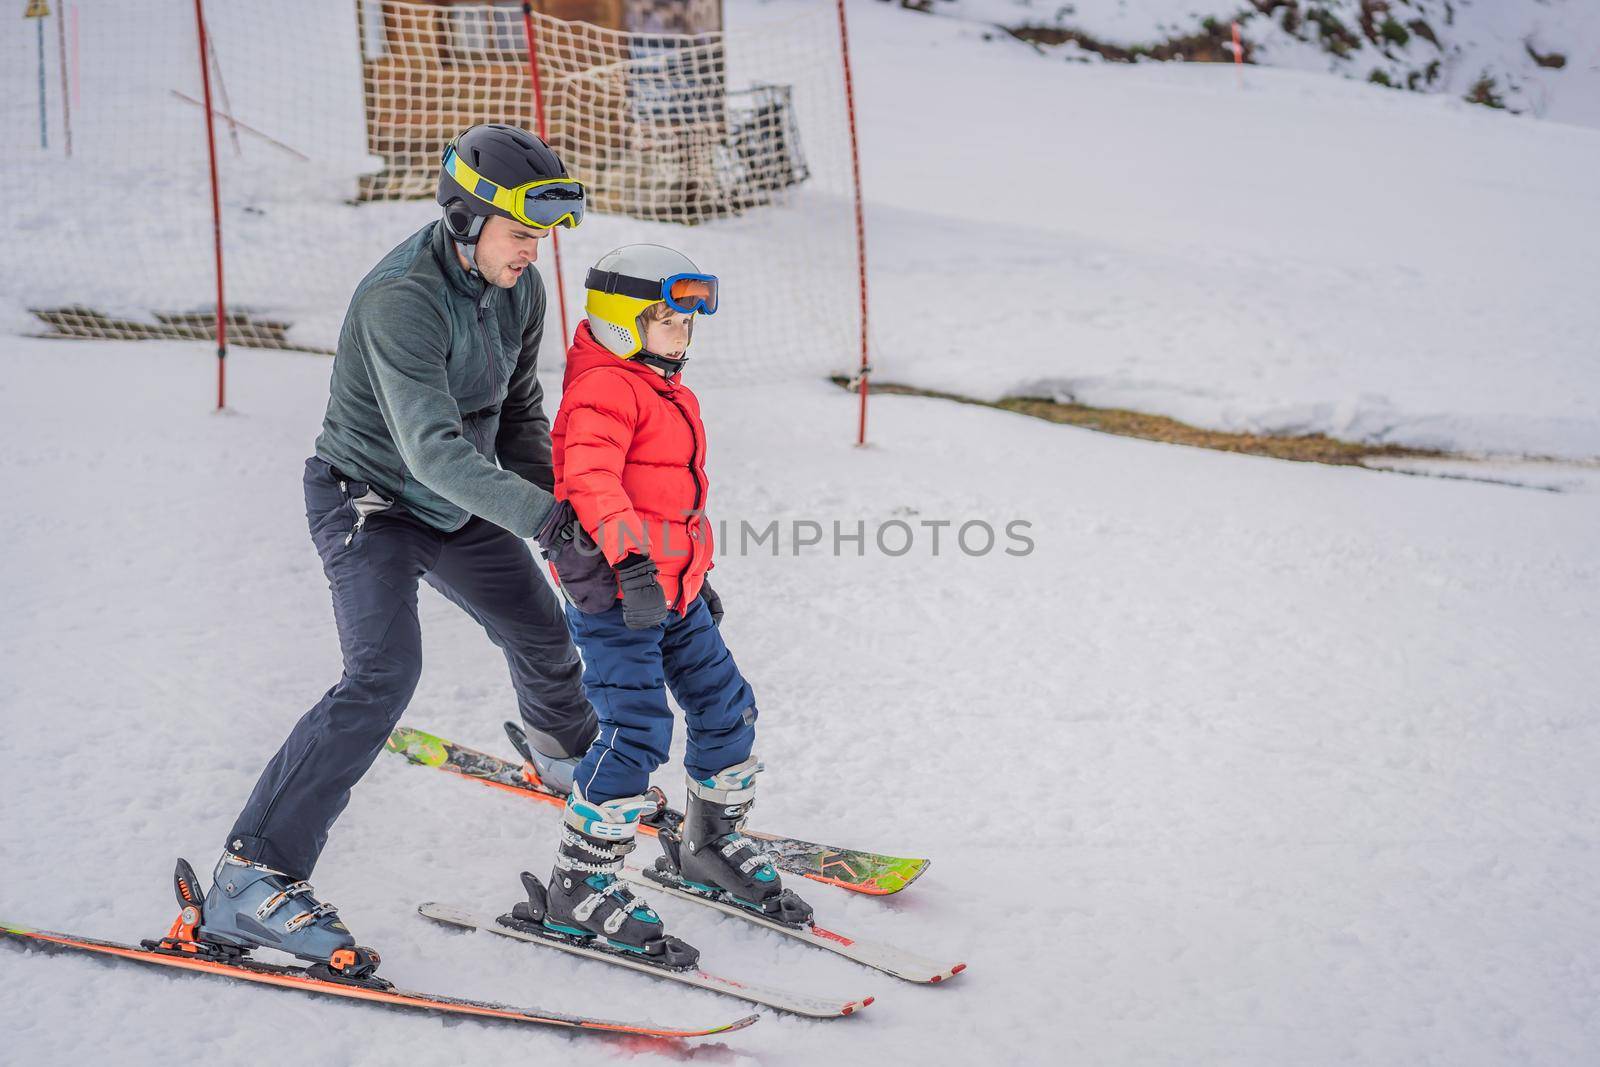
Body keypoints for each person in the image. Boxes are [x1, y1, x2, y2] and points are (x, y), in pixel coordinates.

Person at [193, 124, 600, 978]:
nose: (537, 250)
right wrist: (549, 524)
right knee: (381, 673)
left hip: (459, 502)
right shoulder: (401, 299)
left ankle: (568, 762)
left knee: (541, 628)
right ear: (463, 218)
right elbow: (432, 453)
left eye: (543, 233)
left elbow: (520, 414)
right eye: (522, 231)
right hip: (370, 501)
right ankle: (250, 873)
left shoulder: (517, 286)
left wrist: (574, 513)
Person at [524, 244, 812, 968]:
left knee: (727, 707)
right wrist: (632, 562)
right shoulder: (603, 390)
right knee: (637, 732)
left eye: (687, 318)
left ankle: (707, 844)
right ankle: (578, 882)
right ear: (622, 323)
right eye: (665, 317)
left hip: (674, 593)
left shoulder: (665, 387)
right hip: (618, 599)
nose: (681, 330)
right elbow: (593, 483)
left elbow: (674, 501)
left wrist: (694, 572)